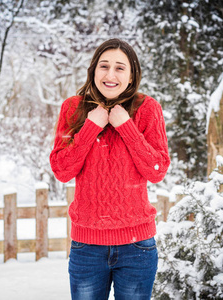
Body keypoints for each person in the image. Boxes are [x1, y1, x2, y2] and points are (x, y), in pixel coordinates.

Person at [49, 38, 170, 300]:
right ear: (93, 70)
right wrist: (90, 127)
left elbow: (157, 170)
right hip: (87, 246)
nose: (110, 75)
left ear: (131, 75)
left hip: (137, 246)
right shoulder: (73, 108)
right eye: (104, 66)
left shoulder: (147, 109)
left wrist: (126, 125)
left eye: (120, 68)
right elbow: (62, 170)